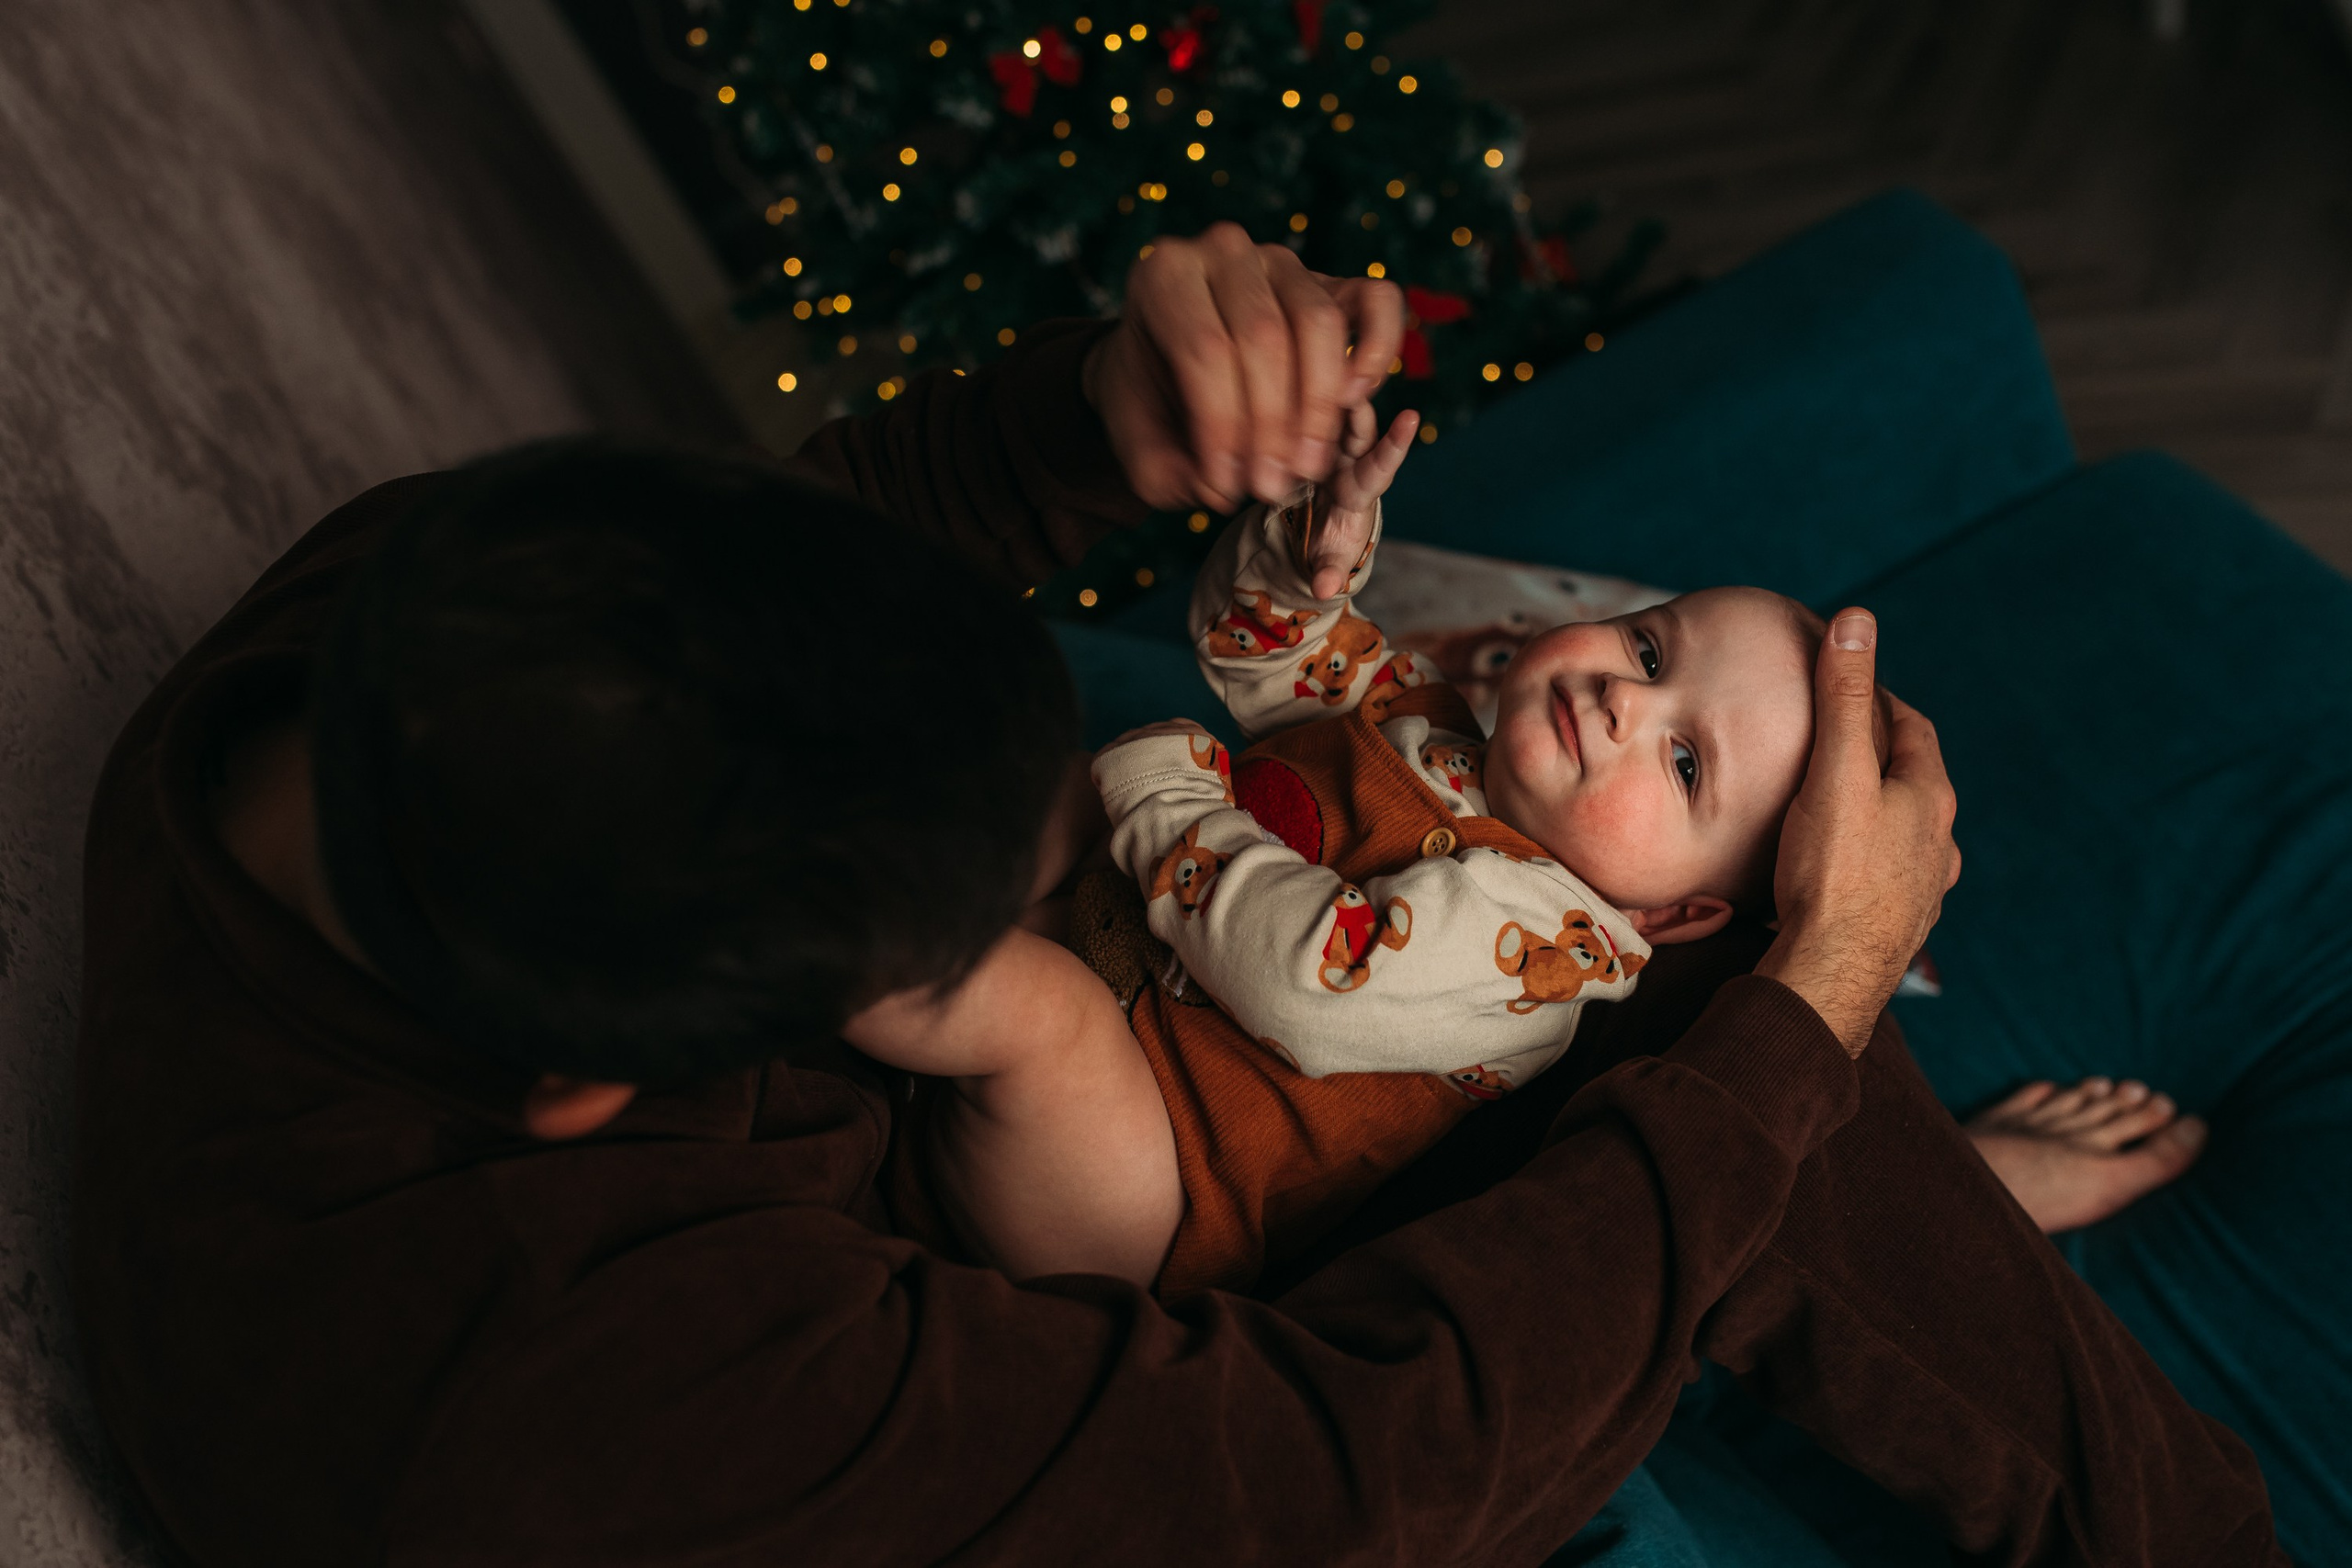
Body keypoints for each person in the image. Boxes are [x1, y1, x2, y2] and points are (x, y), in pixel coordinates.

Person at [73, 224, 2275, 1564]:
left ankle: (1913, 1217)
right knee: (1704, 1037)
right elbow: (1366, 1468)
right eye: (957, 936)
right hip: (1225, 1350)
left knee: (1646, 943)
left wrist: (1094, 421)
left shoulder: (414, 603)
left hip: (1251, 1013)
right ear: (588, 1080)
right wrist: (1804, 1014)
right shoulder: (612, 1417)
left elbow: (815, 545)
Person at [845, 407, 1859, 1295]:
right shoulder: (1424, 714)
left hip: (1140, 1167)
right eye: (1648, 648)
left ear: (1670, 915)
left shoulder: (1543, 947)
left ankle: (811, 935)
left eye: (1684, 763)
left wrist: (1168, 800)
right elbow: (1256, 649)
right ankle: (874, 854)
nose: (1624, 698)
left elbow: (1308, 983)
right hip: (1106, 927)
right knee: (1055, 790)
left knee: (1044, 1010)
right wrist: (1307, 562)